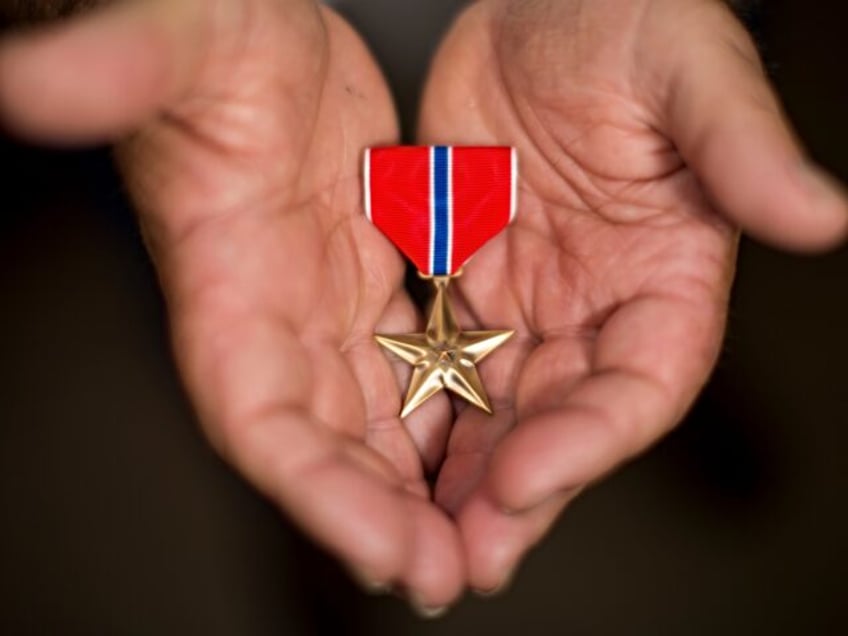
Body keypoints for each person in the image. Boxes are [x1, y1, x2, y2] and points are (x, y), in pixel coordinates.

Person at [0, 0, 844, 617]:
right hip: (241, 120)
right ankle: (315, 534)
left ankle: (663, 401)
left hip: (575, 105)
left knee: (617, 281)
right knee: (263, 351)